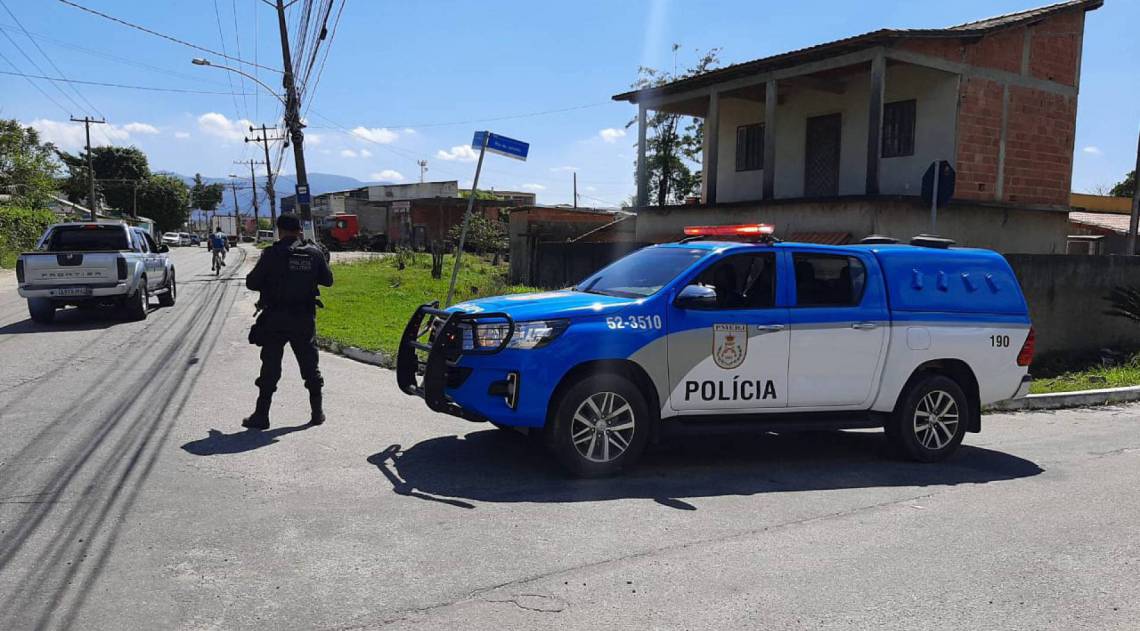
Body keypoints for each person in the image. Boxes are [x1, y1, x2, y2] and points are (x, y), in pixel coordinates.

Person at [243, 214, 334, 429]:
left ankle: (262, 415)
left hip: (275, 318)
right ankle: (317, 412)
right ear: (299, 229)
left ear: (280, 230)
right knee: (310, 366)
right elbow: (328, 280)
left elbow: (252, 282)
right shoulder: (314, 253)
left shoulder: (272, 253)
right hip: (303, 318)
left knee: (270, 367)